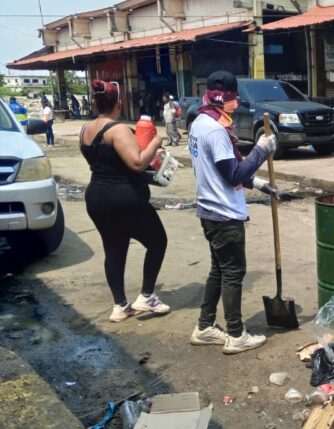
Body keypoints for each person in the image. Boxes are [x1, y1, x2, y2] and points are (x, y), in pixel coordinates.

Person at [188, 70, 278, 354]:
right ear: (224, 98)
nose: (237, 104)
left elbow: (221, 169)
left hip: (209, 211)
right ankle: (236, 334)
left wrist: (258, 183)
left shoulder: (201, 122)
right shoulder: (216, 131)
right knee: (233, 273)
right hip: (224, 215)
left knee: (218, 270)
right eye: (233, 98)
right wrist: (261, 151)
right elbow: (232, 173)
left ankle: (204, 327)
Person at [79, 80, 170, 322]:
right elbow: (137, 163)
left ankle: (120, 306)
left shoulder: (85, 129)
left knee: (114, 249)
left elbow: (108, 161)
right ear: (119, 103)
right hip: (125, 198)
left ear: (96, 102)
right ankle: (147, 296)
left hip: (97, 197)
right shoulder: (118, 130)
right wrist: (155, 143)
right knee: (158, 241)